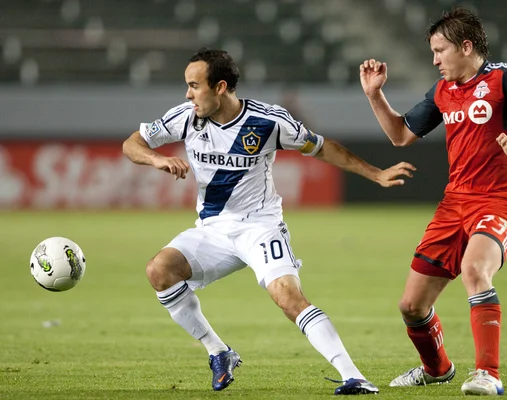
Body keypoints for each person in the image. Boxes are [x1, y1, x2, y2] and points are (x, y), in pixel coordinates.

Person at [123, 47, 417, 395]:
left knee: (288, 297)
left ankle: (353, 375)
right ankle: (219, 351)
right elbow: (133, 143)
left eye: (194, 85)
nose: (188, 94)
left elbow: (322, 148)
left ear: (220, 87)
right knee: (159, 270)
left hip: (259, 226)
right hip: (213, 230)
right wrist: (156, 160)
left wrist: (376, 173)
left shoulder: (269, 121)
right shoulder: (186, 117)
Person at [359, 7, 507, 397]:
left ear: (466, 46)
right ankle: (437, 369)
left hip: (502, 200)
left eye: (440, 50)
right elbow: (401, 135)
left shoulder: (504, 78)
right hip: (454, 204)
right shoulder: (442, 92)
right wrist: (375, 96)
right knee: (411, 306)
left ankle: (488, 373)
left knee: (475, 269)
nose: (435, 60)